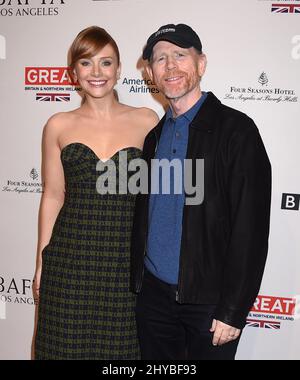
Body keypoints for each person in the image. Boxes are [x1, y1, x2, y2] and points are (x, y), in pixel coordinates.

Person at [130, 24, 272, 360]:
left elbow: (250, 230)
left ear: (201, 64)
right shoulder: (153, 138)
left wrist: (233, 310)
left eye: (180, 55)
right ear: (150, 72)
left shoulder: (237, 131)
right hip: (153, 300)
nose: (171, 66)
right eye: (160, 58)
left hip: (209, 303)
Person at [32, 26, 159, 360]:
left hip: (123, 264)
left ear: (119, 70)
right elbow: (53, 196)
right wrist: (42, 262)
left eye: (106, 63)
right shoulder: (58, 124)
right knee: (63, 348)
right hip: (70, 261)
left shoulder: (146, 121)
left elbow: (157, 197)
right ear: (74, 72)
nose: (97, 72)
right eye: (86, 63)